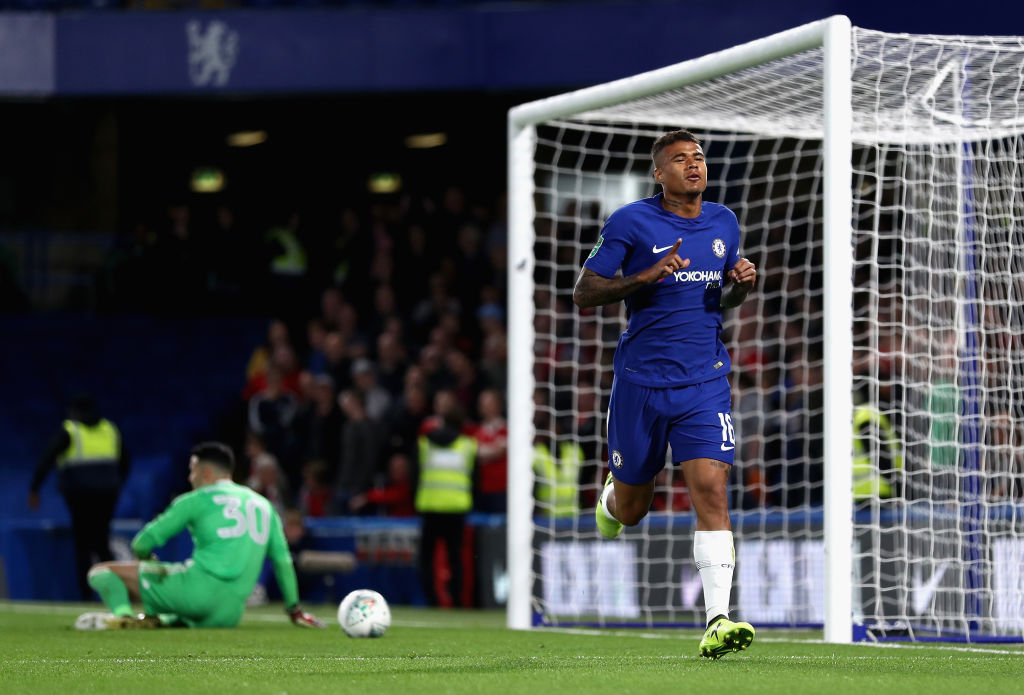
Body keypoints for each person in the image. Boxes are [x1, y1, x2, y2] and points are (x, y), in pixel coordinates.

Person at [573, 129, 758, 659]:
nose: (693, 165)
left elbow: (720, 299)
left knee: (711, 489)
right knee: (632, 510)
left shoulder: (724, 222)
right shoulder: (630, 221)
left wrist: (741, 286)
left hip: (704, 382)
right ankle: (612, 498)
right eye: (679, 159)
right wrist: (646, 276)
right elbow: (584, 292)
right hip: (641, 384)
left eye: (698, 157)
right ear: (659, 174)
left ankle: (717, 620)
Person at [74, 441, 325, 630]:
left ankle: (123, 617)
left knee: (100, 573)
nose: (190, 477)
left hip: (195, 594)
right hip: (230, 612)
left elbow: (143, 542)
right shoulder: (264, 506)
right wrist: (294, 609)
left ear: (206, 474)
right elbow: (282, 562)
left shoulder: (195, 500)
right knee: (180, 610)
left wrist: (147, 560)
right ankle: (164, 620)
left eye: (192, 471)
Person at [28, 394, 130, 600]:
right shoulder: (109, 429)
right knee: (102, 543)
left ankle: (86, 596)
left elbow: (47, 459)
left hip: (80, 494)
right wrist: (116, 484)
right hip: (107, 494)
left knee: (83, 544)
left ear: (74, 411)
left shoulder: (70, 430)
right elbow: (126, 460)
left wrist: (34, 489)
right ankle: (115, 595)